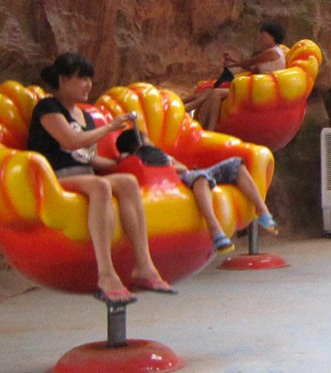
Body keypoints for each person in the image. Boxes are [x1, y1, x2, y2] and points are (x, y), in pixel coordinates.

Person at [27, 53, 175, 304]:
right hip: (54, 178)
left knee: (127, 181)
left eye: (89, 79)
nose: (88, 85)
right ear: (63, 80)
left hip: (83, 175)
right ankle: (106, 275)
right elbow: (70, 141)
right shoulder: (48, 107)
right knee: (101, 185)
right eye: (82, 78)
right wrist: (109, 128)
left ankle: (144, 266)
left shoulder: (85, 116)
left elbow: (88, 158)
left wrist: (123, 161)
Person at [115, 129, 279, 247]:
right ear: (138, 143)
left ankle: (262, 210)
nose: (151, 141)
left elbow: (182, 167)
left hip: (190, 173)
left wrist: (173, 163)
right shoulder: (137, 159)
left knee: (235, 164)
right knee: (200, 178)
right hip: (178, 181)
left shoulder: (157, 153)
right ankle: (215, 229)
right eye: (147, 139)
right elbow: (176, 170)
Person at [183, 20, 287, 131]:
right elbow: (254, 69)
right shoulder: (274, 51)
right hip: (257, 86)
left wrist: (233, 63)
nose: (261, 38)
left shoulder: (272, 52)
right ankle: (189, 111)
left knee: (215, 93)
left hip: (260, 90)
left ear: (273, 36)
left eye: (264, 36)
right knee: (209, 92)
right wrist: (233, 61)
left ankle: (200, 122)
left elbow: (250, 62)